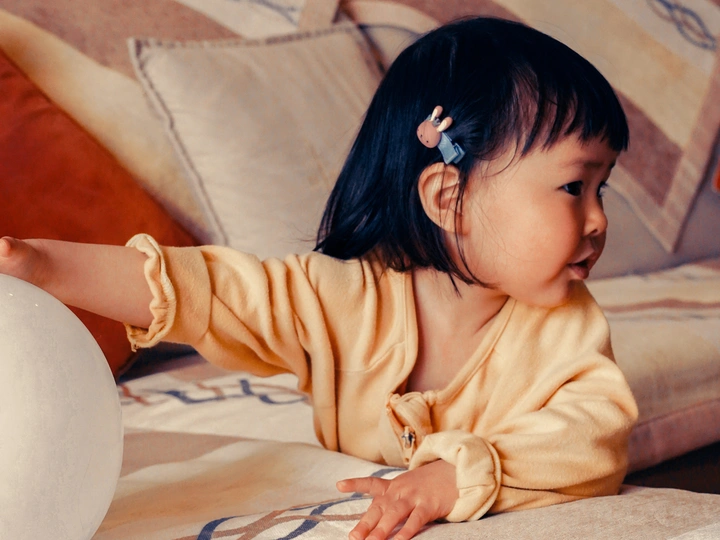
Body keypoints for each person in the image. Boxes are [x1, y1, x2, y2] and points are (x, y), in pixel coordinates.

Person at [0, 17, 638, 540]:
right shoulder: (344, 297)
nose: (598, 220)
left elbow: (593, 438)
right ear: (449, 199)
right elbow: (207, 293)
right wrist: (40, 264)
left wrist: (455, 477)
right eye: (573, 187)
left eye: (601, 188)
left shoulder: (566, 327)